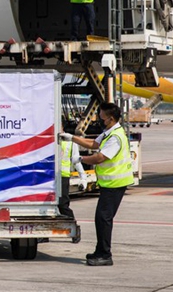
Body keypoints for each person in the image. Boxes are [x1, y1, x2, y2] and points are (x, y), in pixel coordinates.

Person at [60, 103, 133, 266]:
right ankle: (100, 251)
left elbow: (100, 157)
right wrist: (71, 137)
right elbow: (92, 143)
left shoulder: (115, 137)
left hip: (115, 184)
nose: (99, 119)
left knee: (103, 219)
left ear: (111, 118)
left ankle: (105, 254)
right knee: (101, 218)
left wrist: (81, 159)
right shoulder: (109, 133)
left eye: (101, 116)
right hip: (110, 184)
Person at [59, 132, 88, 219]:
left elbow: (76, 160)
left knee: (62, 204)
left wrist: (83, 177)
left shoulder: (70, 142)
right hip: (48, 177)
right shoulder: (48, 140)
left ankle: (71, 224)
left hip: (63, 176)